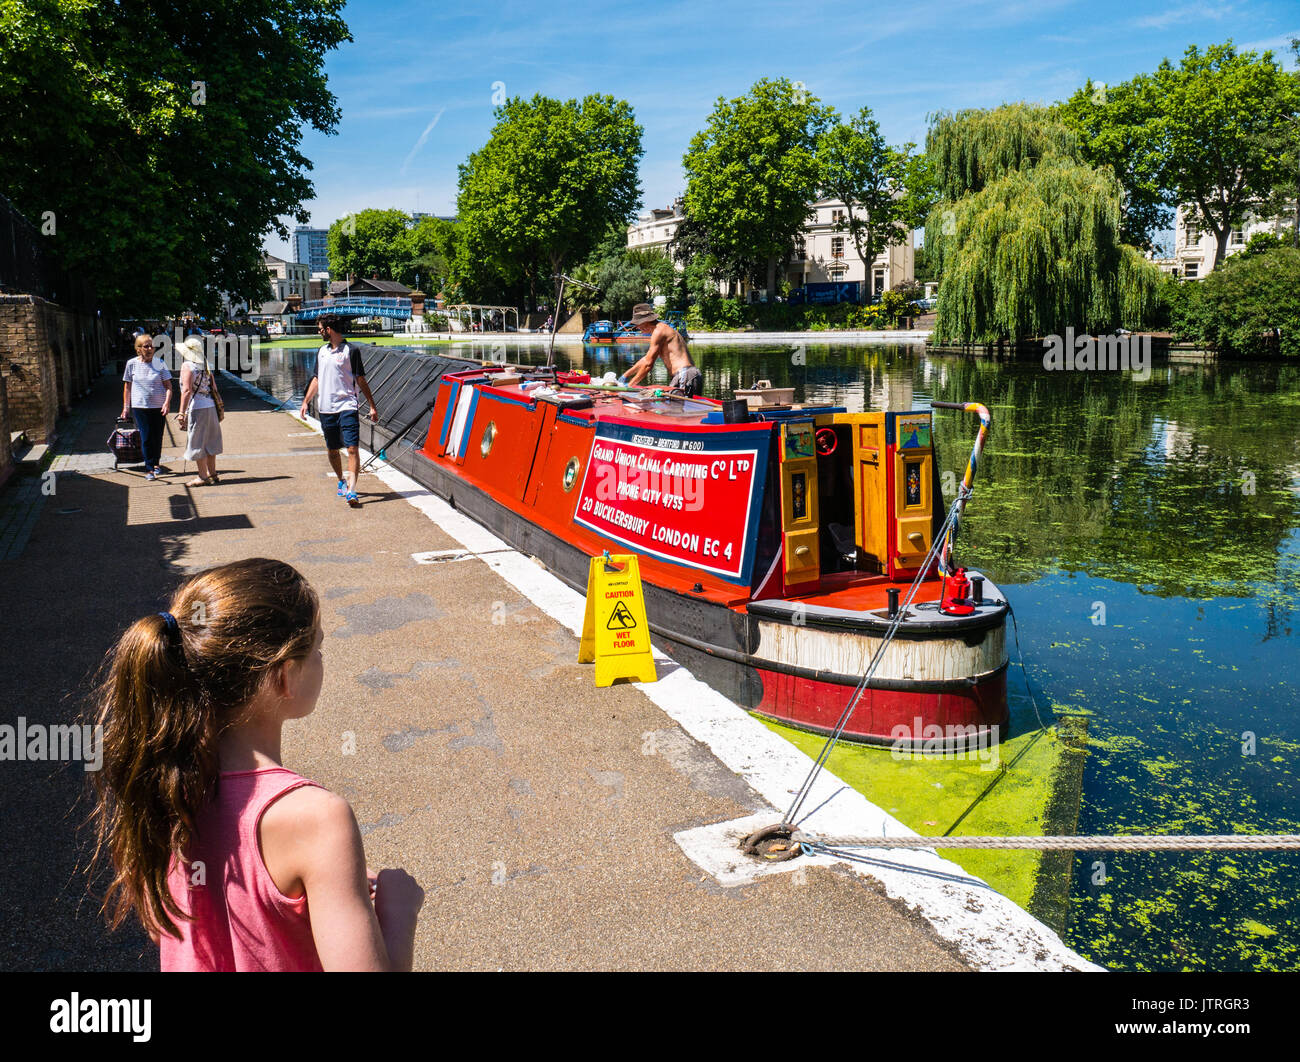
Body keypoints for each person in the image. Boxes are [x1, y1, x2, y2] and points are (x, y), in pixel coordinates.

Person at [89, 558, 426, 971]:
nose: (322, 659)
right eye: (317, 648)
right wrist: (399, 908)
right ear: (285, 675)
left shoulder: (165, 782)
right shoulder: (317, 819)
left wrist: (332, 877)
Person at [298, 316, 378, 508]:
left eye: (320, 329)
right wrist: (305, 401)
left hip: (347, 405)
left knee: (352, 448)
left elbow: (361, 380)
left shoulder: (352, 351)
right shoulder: (322, 351)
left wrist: (372, 405)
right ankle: (341, 479)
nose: (319, 332)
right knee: (333, 449)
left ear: (329, 329)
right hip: (326, 408)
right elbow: (317, 379)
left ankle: (352, 489)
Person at [618, 304, 702, 397]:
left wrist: (630, 386)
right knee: (686, 408)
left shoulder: (659, 331)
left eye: (637, 323)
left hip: (685, 375)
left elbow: (648, 365)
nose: (637, 327)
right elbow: (646, 359)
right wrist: (625, 376)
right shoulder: (661, 329)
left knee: (682, 408)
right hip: (688, 374)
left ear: (645, 321)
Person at [121, 332, 172, 480]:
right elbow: (127, 387)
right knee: (146, 436)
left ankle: (156, 464)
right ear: (139, 348)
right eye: (146, 346)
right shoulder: (131, 364)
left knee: (157, 436)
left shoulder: (160, 363)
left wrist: (167, 403)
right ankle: (149, 468)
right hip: (140, 406)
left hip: (158, 406)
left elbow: (168, 386)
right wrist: (126, 407)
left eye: (152, 346)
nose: (150, 348)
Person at [176, 336, 224, 486]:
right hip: (210, 406)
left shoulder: (187, 366)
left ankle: (202, 477)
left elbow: (186, 391)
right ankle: (213, 473)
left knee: (197, 442)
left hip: (197, 407)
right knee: (211, 441)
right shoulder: (205, 365)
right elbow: (214, 388)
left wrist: (181, 412)